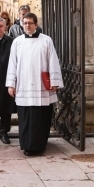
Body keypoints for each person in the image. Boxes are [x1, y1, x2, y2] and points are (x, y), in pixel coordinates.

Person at [6, 12, 64, 156]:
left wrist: (55, 82)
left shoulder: (46, 41)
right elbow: (12, 64)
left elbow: (53, 62)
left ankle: (40, 144)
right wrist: (11, 84)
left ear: (36, 25)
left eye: (30, 23)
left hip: (41, 87)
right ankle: (27, 145)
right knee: (25, 117)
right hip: (23, 86)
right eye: (24, 23)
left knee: (41, 117)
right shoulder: (17, 42)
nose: (27, 25)